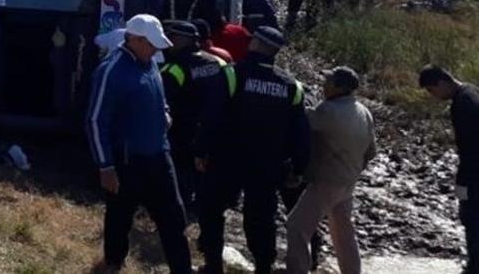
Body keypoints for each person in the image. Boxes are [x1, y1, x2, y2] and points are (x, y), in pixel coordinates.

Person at [197, 27, 309, 274]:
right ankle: (263, 266)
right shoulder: (291, 86)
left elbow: (211, 116)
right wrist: (299, 168)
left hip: (227, 159)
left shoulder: (232, 74)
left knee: (211, 210)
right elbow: (300, 132)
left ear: (256, 44)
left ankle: (213, 265)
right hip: (268, 165)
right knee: (261, 218)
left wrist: (201, 151)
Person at [86, 14, 191, 273]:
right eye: (151, 43)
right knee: (120, 216)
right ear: (135, 40)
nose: (156, 49)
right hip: (127, 159)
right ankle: (113, 262)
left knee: (174, 217)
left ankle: (182, 269)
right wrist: (105, 166)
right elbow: (95, 120)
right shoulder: (112, 70)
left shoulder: (150, 62)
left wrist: (164, 113)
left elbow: (158, 94)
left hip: (159, 154)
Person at [285, 67, 376, 274]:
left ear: (339, 87)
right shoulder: (364, 111)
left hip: (326, 181)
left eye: (328, 81)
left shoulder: (329, 110)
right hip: (349, 181)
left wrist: (302, 99)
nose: (323, 84)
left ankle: (297, 270)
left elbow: (304, 121)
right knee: (343, 232)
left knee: (296, 227)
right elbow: (371, 152)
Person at [418, 66, 479, 274]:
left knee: (471, 218)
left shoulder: (463, 103)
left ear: (441, 83)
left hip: (478, 169)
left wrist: (461, 182)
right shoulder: (474, 91)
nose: (433, 96)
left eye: (431, 90)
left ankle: (478, 269)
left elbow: (469, 148)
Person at [160, 20, 235, 211]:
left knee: (181, 176)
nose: (168, 41)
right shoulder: (219, 62)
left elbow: (161, 100)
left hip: (183, 133)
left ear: (182, 40)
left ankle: (181, 210)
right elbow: (232, 92)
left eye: (172, 37)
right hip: (217, 130)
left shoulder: (175, 68)